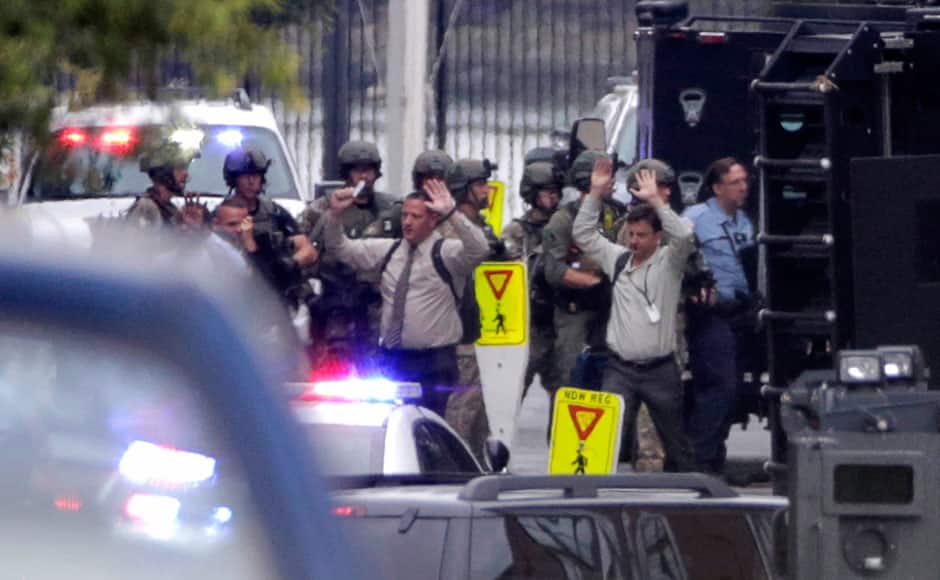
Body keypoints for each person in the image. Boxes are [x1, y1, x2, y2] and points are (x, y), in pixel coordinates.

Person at [320, 175, 489, 417]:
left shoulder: (446, 254)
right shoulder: (390, 250)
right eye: (405, 215)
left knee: (429, 432)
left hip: (433, 363)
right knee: (390, 426)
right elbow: (340, 248)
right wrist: (334, 215)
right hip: (394, 361)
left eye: (416, 217)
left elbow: (479, 249)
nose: (407, 222)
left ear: (433, 219)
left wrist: (452, 212)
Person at [573, 158, 697, 472]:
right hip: (620, 368)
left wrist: (656, 199)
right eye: (631, 234)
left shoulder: (670, 263)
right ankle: (599, 495)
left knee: (676, 442)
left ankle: (693, 501)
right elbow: (584, 235)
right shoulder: (618, 259)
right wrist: (595, 194)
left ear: (657, 237)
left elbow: (683, 236)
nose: (634, 241)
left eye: (642, 235)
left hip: (660, 369)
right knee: (607, 438)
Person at [682, 157, 757, 474]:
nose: (743, 187)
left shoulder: (744, 222)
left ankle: (715, 459)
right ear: (716, 187)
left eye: (744, 181)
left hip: (741, 313)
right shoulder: (696, 218)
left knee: (734, 390)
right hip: (709, 316)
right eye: (735, 182)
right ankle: (700, 462)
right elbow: (677, 257)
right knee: (718, 386)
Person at [298, 141, 400, 370]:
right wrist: (309, 298)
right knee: (329, 373)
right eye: (357, 169)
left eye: (369, 169)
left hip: (377, 306)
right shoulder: (320, 210)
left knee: (379, 372)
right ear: (346, 173)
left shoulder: (393, 209)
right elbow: (301, 255)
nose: (364, 176)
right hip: (335, 305)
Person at [541, 150, 625, 408]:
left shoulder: (618, 214)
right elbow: (554, 271)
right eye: (605, 174)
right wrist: (596, 284)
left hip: (612, 314)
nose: (612, 180)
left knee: (613, 389)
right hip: (574, 314)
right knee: (570, 386)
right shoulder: (563, 220)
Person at [439, 157, 502, 462]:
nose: (487, 191)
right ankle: (453, 473)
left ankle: (475, 469)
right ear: (463, 190)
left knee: (481, 421)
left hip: (484, 332)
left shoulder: (481, 227)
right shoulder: (451, 231)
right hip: (462, 334)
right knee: (461, 415)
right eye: (479, 185)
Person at [501, 158, 563, 398]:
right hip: (528, 326)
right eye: (549, 192)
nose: (554, 197)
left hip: (558, 322)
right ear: (533, 194)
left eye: (557, 192)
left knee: (563, 398)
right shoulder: (516, 231)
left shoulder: (565, 226)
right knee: (510, 397)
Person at [222, 147, 318, 299]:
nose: (251, 181)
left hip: (275, 294)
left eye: (255, 175)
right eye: (245, 175)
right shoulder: (222, 215)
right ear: (234, 179)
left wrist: (287, 265)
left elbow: (308, 250)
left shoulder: (274, 213)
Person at [127, 142, 194, 228]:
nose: (186, 174)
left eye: (185, 168)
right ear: (164, 173)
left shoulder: (170, 209)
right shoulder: (147, 208)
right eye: (179, 168)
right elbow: (141, 241)